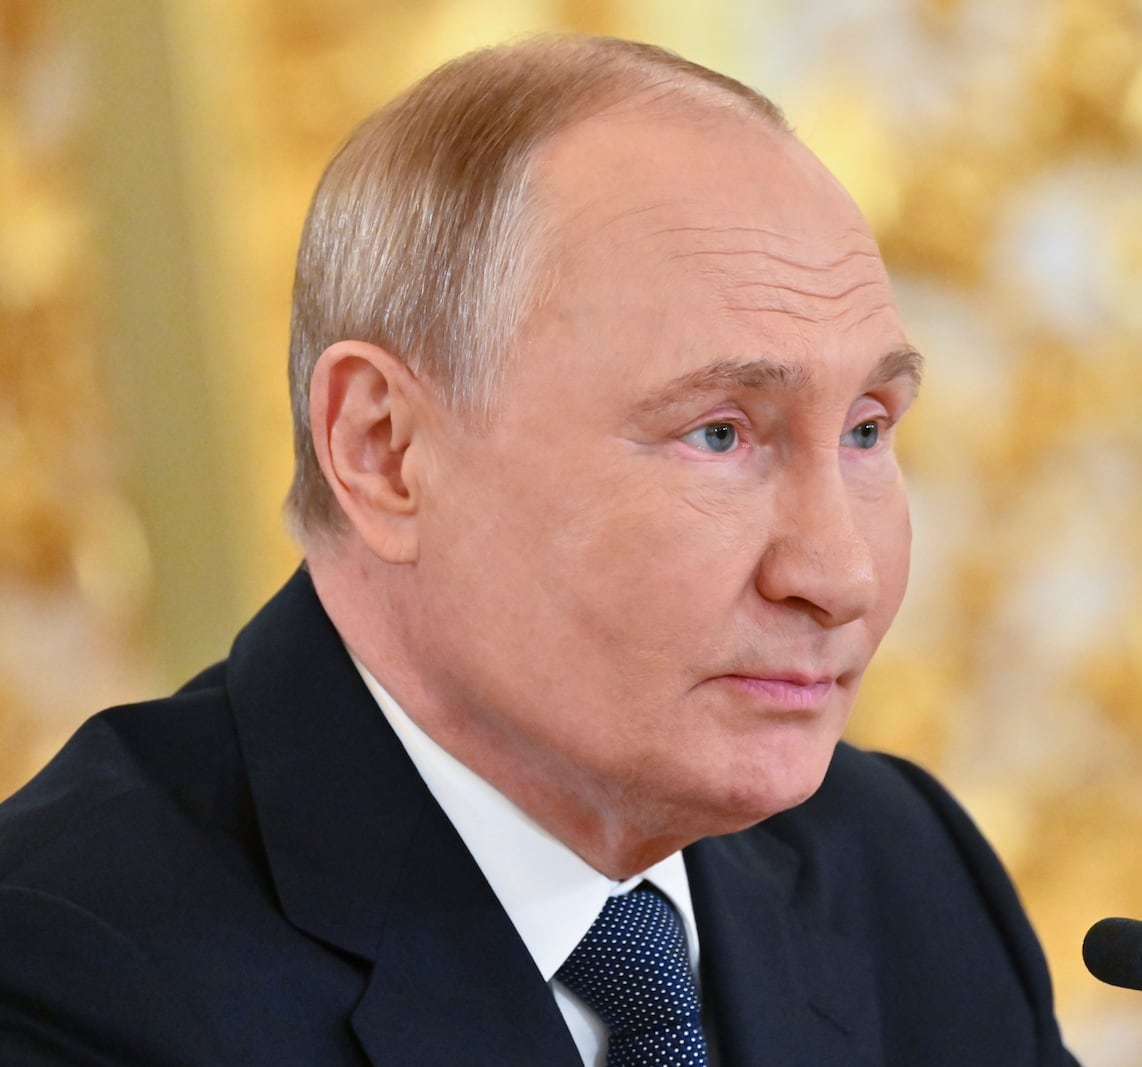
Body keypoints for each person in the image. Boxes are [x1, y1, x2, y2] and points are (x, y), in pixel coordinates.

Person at [0, 34, 1077, 1066]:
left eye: (866, 430)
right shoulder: (69, 971)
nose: (838, 575)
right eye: (720, 432)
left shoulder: (900, 866)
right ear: (385, 450)